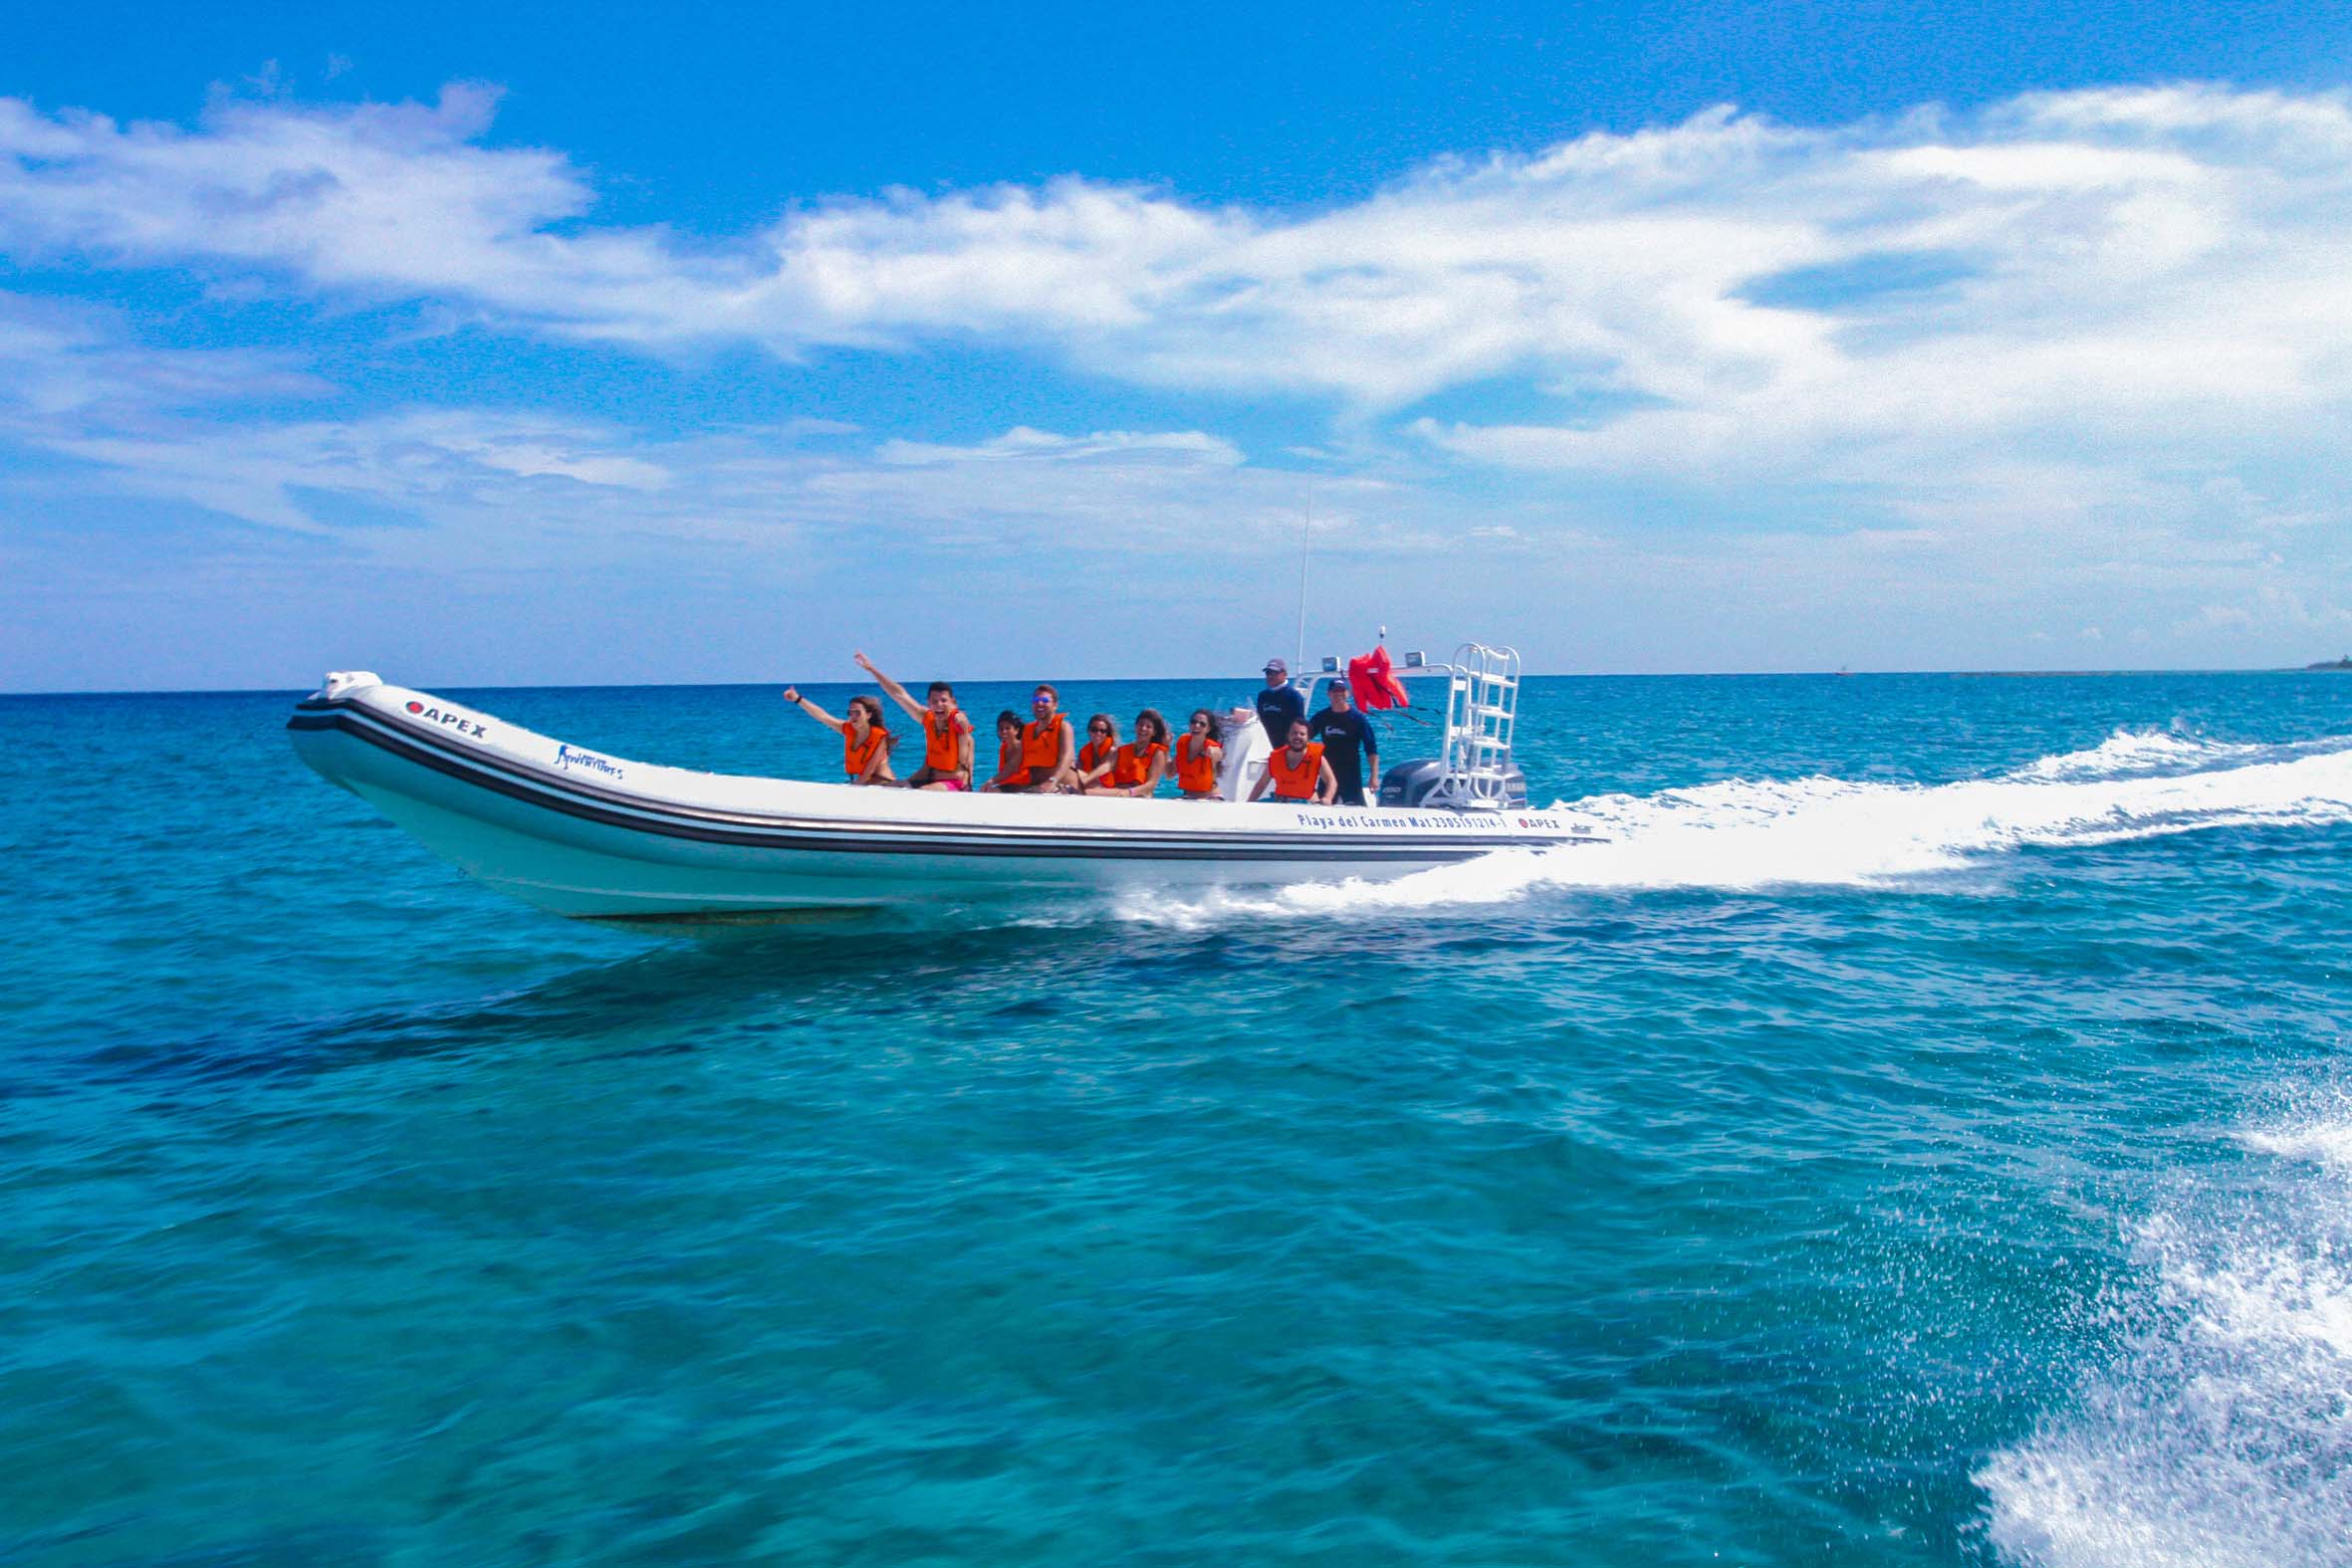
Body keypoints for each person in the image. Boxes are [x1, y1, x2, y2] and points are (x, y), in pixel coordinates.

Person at [853, 651, 973, 790]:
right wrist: (871, 669)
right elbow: (899, 694)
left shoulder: (958, 721)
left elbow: (963, 724)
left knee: (922, 792)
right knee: (891, 788)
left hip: (955, 784)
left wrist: (961, 719)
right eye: (934, 701)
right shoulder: (927, 719)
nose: (939, 704)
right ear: (928, 703)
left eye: (944, 701)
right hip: (929, 779)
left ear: (953, 702)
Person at [782, 686, 896, 784]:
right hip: (863, 783)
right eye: (850, 713)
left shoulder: (879, 736)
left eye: (857, 713)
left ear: (868, 715)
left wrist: (855, 788)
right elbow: (822, 716)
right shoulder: (848, 729)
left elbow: (869, 771)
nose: (853, 716)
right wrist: (798, 699)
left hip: (883, 783)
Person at [1304, 678, 1380, 805]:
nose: (1338, 694)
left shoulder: (1358, 719)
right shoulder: (1321, 717)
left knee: (1356, 808)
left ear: (1348, 693)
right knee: (1323, 806)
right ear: (1328, 694)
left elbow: (1371, 748)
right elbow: (1303, 738)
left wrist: (1374, 776)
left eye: (1342, 690)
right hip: (1327, 772)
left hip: (1351, 772)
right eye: (1334, 691)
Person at [1249, 719, 1337, 804]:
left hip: (1307, 805)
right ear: (1288, 735)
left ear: (1308, 737)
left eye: (1302, 734)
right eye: (1294, 733)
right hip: (1280, 803)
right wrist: (1249, 804)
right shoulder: (1275, 758)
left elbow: (1331, 781)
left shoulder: (1317, 758)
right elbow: (1261, 784)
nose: (1297, 736)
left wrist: (1327, 798)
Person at [1089, 708, 1171, 797]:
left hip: (1140, 796)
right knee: (1086, 789)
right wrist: (1087, 778)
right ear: (1135, 726)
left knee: (1087, 792)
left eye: (1148, 727)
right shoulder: (1121, 750)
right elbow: (1107, 766)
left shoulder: (1158, 752)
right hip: (1119, 792)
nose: (1143, 728)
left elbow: (1151, 784)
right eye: (1141, 725)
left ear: (1154, 732)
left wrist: (1130, 792)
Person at [1017, 684, 1078, 791]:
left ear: (1055, 705)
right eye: (1036, 700)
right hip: (1037, 785)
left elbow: (1067, 757)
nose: (1039, 703)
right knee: (995, 791)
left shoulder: (1063, 727)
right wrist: (994, 781)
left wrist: (1053, 780)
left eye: (1045, 700)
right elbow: (1015, 762)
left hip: (1062, 786)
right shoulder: (1027, 730)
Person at [1172, 708, 1225, 800]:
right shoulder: (1182, 741)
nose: (1196, 725)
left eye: (1202, 724)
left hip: (1210, 798)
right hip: (1188, 796)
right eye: (1193, 722)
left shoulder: (1211, 746)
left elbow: (1218, 754)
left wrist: (1213, 752)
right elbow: (1169, 774)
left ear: (1208, 729)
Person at [1254, 656, 1305, 747]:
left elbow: (1299, 725)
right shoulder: (1263, 696)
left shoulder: (1293, 696)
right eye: (1268, 673)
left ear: (1284, 674)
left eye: (1274, 673)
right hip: (1265, 745)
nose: (1270, 676)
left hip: (1286, 747)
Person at [982, 710, 1029, 791]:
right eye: (1001, 729)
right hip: (1007, 786)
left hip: (1023, 786)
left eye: (1008, 728)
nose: (1004, 731)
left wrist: (991, 781)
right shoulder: (1003, 747)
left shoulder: (1022, 746)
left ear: (1016, 730)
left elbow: (1010, 769)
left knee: (992, 791)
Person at [1074, 714, 1120, 789]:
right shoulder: (1083, 751)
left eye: (1102, 731)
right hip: (1090, 785)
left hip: (1109, 789)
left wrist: (1084, 781)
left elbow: (1105, 768)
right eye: (1094, 730)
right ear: (1088, 730)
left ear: (1107, 733)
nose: (1098, 734)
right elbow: (1079, 770)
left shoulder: (1112, 751)